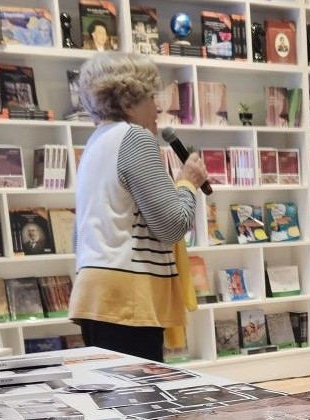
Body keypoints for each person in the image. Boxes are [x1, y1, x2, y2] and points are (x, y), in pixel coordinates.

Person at [67, 52, 208, 362]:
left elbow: (79, 235)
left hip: (95, 294)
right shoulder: (135, 138)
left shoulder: (95, 143)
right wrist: (188, 183)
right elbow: (171, 226)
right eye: (150, 97)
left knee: (113, 400)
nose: (158, 107)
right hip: (128, 299)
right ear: (128, 103)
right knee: (141, 401)